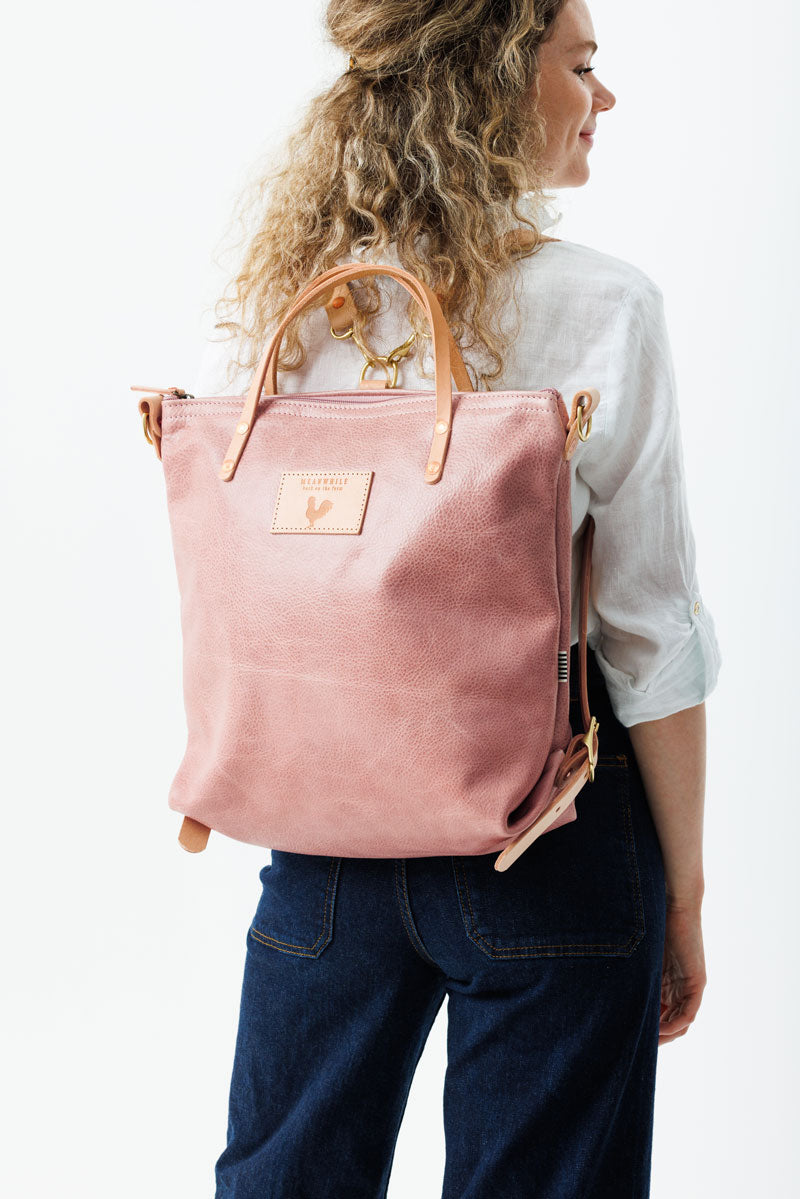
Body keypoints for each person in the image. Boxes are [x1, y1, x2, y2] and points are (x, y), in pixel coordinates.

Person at [194, 2, 722, 1195]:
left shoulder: (298, 307)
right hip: (550, 825)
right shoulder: (602, 306)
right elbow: (648, 637)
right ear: (492, 81)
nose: (603, 97)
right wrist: (682, 895)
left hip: (323, 836)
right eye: (580, 66)